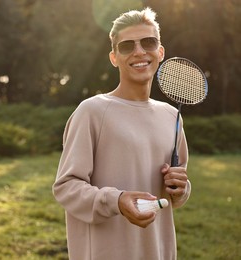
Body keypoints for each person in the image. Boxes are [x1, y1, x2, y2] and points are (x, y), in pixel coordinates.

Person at [52, 7, 191, 260]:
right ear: (114, 57)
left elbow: (176, 192)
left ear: (160, 52)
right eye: (127, 46)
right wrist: (117, 201)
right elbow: (66, 187)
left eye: (148, 42)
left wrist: (181, 189)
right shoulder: (92, 111)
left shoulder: (173, 116)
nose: (139, 51)